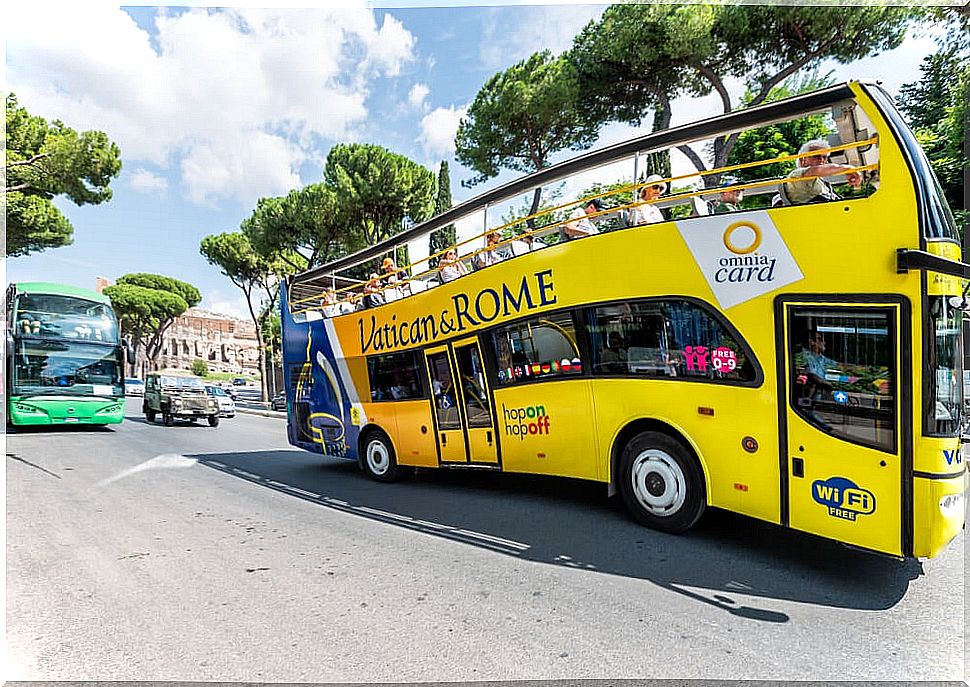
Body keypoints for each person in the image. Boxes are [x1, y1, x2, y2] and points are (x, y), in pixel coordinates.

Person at [783, 139, 863, 204]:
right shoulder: (796, 175)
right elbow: (817, 170)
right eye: (816, 155)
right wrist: (848, 168)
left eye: (824, 157)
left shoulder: (821, 182)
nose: (822, 160)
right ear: (803, 160)